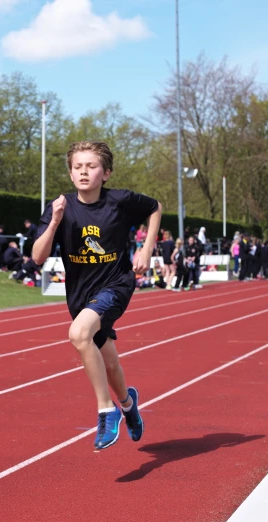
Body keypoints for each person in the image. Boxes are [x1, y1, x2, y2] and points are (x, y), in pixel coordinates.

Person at [32, 140, 162, 451]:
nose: (84, 172)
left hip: (115, 284)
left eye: (91, 166)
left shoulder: (119, 201)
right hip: (80, 296)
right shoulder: (59, 207)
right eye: (78, 167)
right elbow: (38, 257)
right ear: (70, 172)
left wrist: (146, 248)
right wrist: (53, 223)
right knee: (111, 365)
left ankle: (107, 410)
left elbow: (155, 207)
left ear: (106, 173)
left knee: (78, 334)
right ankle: (129, 406)